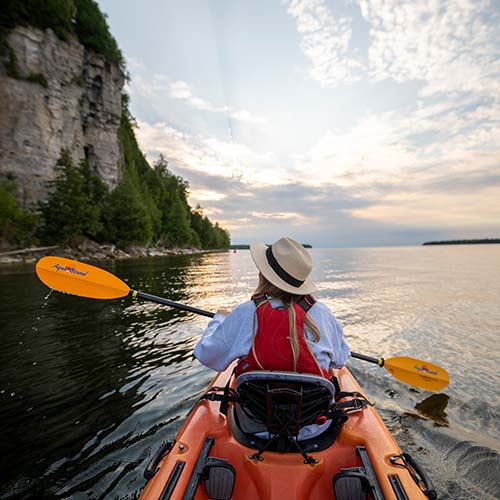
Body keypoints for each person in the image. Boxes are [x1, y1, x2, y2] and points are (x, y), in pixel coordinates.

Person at [194, 236, 350, 379]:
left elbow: (206, 355)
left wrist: (219, 319)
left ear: (263, 274)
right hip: (311, 408)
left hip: (253, 409)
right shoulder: (322, 314)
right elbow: (340, 360)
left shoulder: (245, 312)